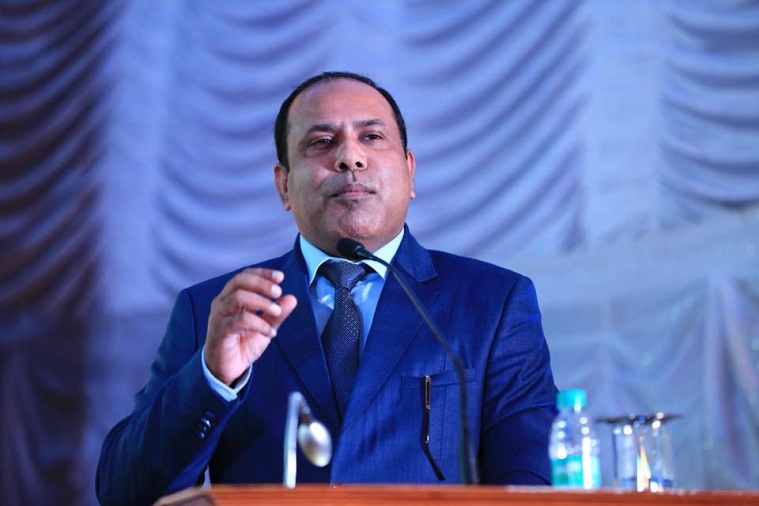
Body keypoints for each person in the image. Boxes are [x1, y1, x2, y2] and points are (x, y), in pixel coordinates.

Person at [96, 71, 558, 505]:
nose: (349, 158)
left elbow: (529, 481)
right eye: (321, 142)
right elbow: (124, 491)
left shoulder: (493, 302)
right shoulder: (216, 310)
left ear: (410, 171)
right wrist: (212, 377)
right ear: (284, 186)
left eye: (371, 137)